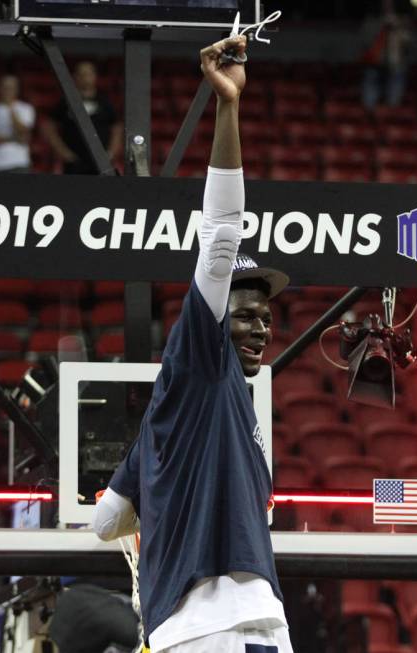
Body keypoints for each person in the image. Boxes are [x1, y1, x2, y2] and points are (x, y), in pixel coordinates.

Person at [92, 35, 293, 653]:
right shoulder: (204, 363)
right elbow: (223, 233)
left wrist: (139, 503)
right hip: (212, 630)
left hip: (248, 623)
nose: (262, 327)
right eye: (246, 315)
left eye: (267, 317)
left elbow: (103, 524)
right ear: (212, 320)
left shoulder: (171, 423)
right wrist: (227, 106)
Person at [45, 61, 121, 174]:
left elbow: (117, 128)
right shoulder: (65, 102)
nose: (85, 78)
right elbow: (49, 127)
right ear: (75, 77)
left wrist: (111, 153)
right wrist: (64, 153)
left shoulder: (105, 102)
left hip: (101, 162)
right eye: (82, 74)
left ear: (95, 76)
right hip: (74, 163)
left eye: (89, 74)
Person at [360, 0, 411, 109]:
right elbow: (365, 42)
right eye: (384, 2)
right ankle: (369, 118)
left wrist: (397, 27)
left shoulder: (402, 21)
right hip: (374, 64)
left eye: (390, 3)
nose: (387, 5)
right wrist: (381, 26)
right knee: (369, 103)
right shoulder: (371, 21)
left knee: (393, 104)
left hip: (396, 65)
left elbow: (407, 43)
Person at [0, 75, 36, 173]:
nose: (7, 91)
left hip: (19, 163)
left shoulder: (26, 109)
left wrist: (11, 111)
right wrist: (13, 138)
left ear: (17, 89)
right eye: (5, 87)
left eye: (11, 87)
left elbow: (22, 132)